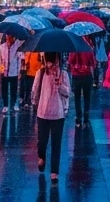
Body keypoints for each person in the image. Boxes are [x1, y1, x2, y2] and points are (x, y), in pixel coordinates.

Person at [32, 52, 70, 181]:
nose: (53, 64)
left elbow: (68, 93)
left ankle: (54, 172)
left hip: (58, 114)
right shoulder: (41, 73)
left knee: (56, 144)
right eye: (51, 61)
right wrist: (35, 103)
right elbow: (35, 90)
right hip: (42, 113)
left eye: (55, 61)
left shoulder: (63, 74)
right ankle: (41, 157)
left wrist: (59, 85)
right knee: (42, 142)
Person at [69, 47, 95, 127]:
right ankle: (86, 115)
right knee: (87, 97)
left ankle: (78, 117)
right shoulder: (88, 49)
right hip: (87, 76)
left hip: (76, 76)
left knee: (77, 98)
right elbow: (93, 63)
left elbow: (70, 61)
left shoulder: (74, 49)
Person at [0, 34, 23, 112]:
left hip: (13, 72)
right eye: (7, 37)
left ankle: (13, 104)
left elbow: (19, 60)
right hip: (4, 72)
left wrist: (19, 71)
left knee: (14, 89)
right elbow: (0, 59)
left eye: (10, 37)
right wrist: (1, 69)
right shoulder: (2, 47)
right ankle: (5, 105)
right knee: (4, 89)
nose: (8, 39)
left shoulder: (17, 46)